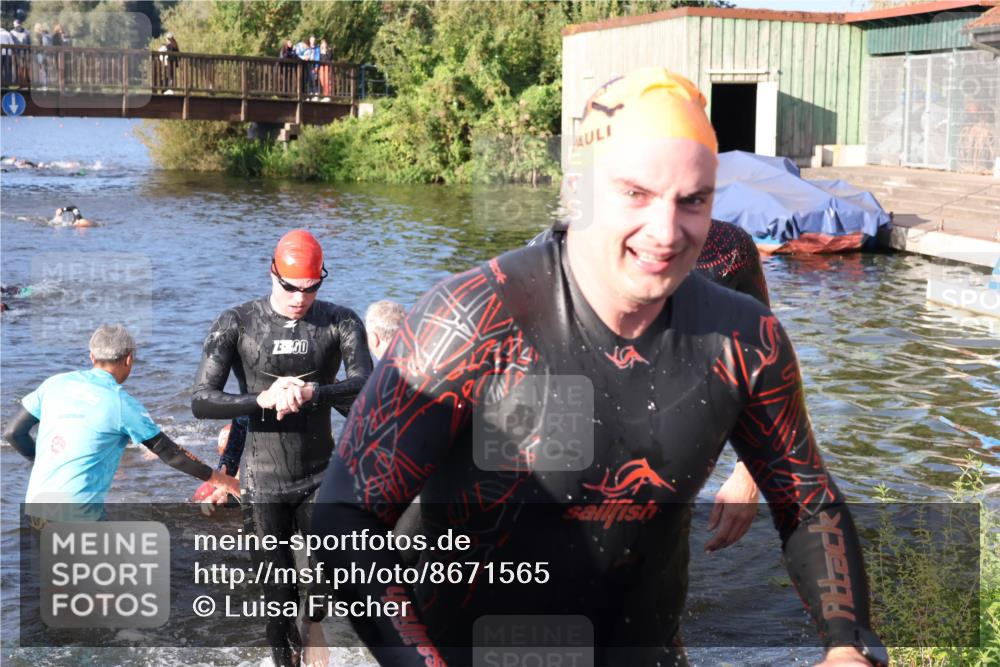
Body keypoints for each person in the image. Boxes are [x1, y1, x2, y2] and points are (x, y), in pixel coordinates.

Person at [310, 68, 886, 667]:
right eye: (635, 193)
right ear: (580, 191)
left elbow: (807, 502)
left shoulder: (747, 339)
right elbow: (343, 518)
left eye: (692, 200)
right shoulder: (471, 320)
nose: (665, 232)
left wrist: (848, 644)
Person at [191, 229, 373, 667]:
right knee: (277, 596)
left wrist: (315, 393)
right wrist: (263, 399)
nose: (299, 298)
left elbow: (367, 384)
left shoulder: (340, 321)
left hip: (319, 473)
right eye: (290, 287)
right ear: (272, 273)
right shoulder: (236, 322)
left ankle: (313, 627)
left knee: (332, 577)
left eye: (310, 288)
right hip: (263, 479)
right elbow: (201, 400)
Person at [2, 324, 240, 522]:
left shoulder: (54, 383)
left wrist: (41, 460)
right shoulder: (121, 403)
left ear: (92, 357)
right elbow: (172, 455)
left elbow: (13, 433)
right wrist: (225, 481)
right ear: (129, 359)